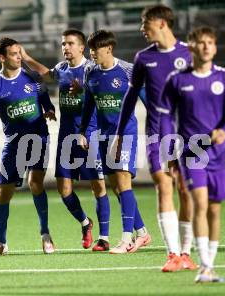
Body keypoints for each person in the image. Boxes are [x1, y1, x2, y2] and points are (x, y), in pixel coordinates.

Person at [116, 4, 197, 271]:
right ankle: (172, 254)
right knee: (163, 185)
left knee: (186, 190)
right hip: (156, 133)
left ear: (162, 23)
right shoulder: (143, 58)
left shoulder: (189, 54)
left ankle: (186, 253)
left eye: (145, 23)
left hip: (188, 133)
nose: (142, 29)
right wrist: (118, 135)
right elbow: (130, 97)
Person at [158, 26, 225, 283]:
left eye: (210, 43)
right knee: (200, 204)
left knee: (214, 210)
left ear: (215, 47)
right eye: (201, 42)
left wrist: (224, 131)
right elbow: (164, 119)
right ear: (191, 46)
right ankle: (203, 266)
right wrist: (169, 149)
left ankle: (210, 265)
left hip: (218, 152)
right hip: (192, 149)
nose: (206, 47)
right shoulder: (177, 79)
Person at [21, 29, 110, 251]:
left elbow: (102, 93)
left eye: (70, 43)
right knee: (64, 189)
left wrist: (84, 89)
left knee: (98, 186)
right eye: (63, 44)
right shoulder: (61, 69)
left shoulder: (92, 69)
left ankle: (104, 237)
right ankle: (85, 222)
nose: (66, 47)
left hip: (89, 136)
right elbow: (45, 73)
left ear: (82, 48)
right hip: (66, 138)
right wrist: (26, 58)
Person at [0, 37, 57, 256]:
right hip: (13, 146)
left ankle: (45, 235)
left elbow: (45, 100)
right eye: (13, 54)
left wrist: (49, 110)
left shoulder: (33, 76)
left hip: (39, 138)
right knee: (3, 193)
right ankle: (1, 242)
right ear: (2, 58)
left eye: (19, 52)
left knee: (35, 183)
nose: (18, 57)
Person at [79, 30, 151, 254]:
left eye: (95, 49)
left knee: (123, 182)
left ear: (109, 48)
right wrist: (83, 131)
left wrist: (160, 126)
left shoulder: (129, 70)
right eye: (90, 49)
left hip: (125, 134)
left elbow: (148, 100)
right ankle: (143, 233)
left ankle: (127, 239)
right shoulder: (90, 72)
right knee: (118, 188)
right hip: (103, 135)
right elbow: (89, 103)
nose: (92, 54)